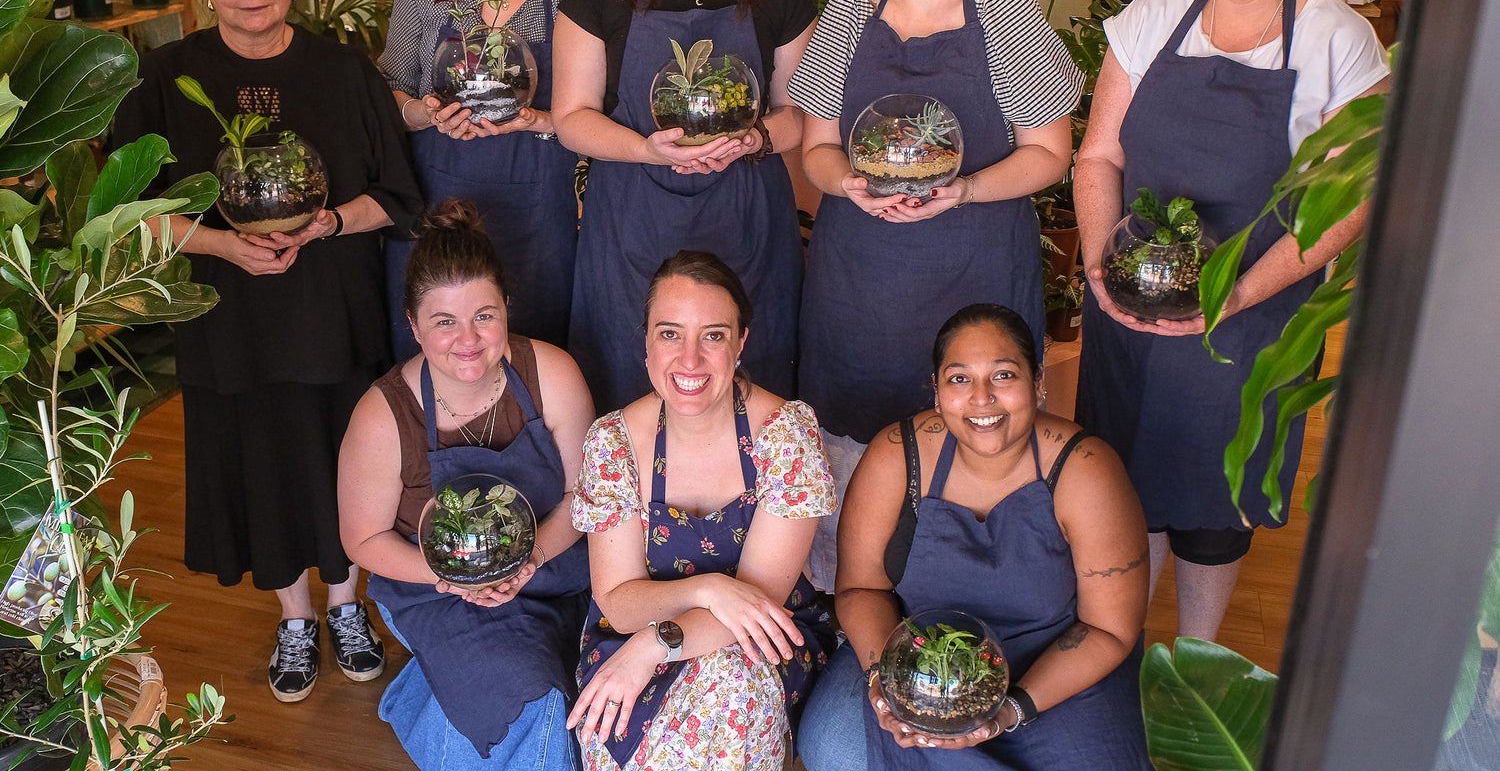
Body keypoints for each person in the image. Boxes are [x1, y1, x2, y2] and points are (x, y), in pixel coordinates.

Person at [1074, 0, 1391, 640]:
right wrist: (1102, 270)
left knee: (1218, 500)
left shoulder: (1338, 39)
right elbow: (1100, 154)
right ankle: (1118, 653)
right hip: (1133, 310)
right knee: (1124, 486)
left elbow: (1347, 204)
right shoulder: (1153, 16)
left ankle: (1199, 662)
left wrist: (1239, 292)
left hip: (1255, 316)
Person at [110, 0, 424, 701]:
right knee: (264, 464)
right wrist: (220, 243)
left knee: (346, 462)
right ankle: (295, 618)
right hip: (229, 321)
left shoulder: (344, 72)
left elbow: (397, 196)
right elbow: (126, 214)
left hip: (333, 314)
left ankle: (348, 606)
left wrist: (323, 225)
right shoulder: (168, 79)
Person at [788, 0, 1081, 590]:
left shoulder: (1006, 13)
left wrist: (965, 189)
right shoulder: (850, 12)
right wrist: (846, 182)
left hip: (975, 277)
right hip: (859, 288)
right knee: (851, 465)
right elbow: (818, 147)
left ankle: (964, 609)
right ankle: (847, 608)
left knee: (973, 448)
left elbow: (1051, 153)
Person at [799, 304, 1152, 771]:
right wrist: (890, 685)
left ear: (1038, 381)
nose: (981, 398)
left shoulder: (1086, 471)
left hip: (1058, 672)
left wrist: (1010, 710)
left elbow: (1110, 629)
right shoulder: (896, 457)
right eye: (960, 379)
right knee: (835, 749)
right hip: (922, 662)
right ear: (937, 389)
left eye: (1003, 376)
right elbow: (861, 588)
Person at [552, 0, 817, 413]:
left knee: (754, 395)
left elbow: (800, 112)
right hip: (633, 223)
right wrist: (645, 147)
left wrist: (755, 139)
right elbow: (571, 118)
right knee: (631, 390)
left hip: (747, 218)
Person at [339, 198, 595, 769]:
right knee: (540, 701)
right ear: (413, 325)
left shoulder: (552, 372)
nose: (468, 339)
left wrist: (527, 562)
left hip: (554, 570)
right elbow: (363, 539)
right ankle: (445, 682)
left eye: (483, 315)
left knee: (605, 696)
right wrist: (452, 579)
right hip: (436, 590)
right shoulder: (383, 414)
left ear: (506, 305)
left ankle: (425, 693)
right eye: (444, 322)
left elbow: (586, 496)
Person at [567, 251, 836, 770]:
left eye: (713, 335)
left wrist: (654, 648)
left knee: (730, 687)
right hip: (632, 632)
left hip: (763, 639)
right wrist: (707, 589)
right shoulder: (614, 442)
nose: (689, 360)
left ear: (741, 343)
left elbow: (759, 606)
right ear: (645, 340)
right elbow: (619, 602)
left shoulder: (786, 434)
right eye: (670, 334)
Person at [380, 0, 581, 356]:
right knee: (438, 360)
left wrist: (538, 119)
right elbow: (390, 90)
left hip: (538, 215)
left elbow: (598, 111)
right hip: (438, 208)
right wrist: (423, 113)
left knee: (535, 359)